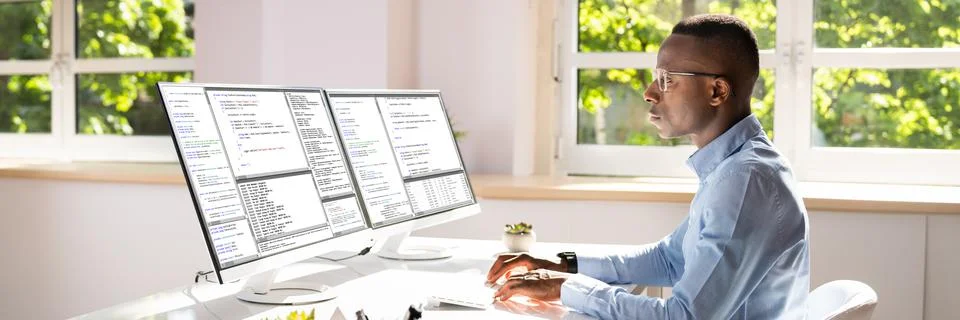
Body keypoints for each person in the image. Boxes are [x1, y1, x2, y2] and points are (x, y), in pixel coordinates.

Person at [486, 14, 810, 319]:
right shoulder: (735, 166)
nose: (649, 92)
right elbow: (669, 260)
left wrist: (567, 288)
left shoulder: (745, 179)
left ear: (716, 91)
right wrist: (564, 266)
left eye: (666, 79)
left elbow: (684, 316)